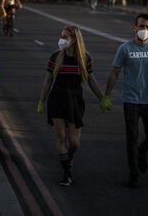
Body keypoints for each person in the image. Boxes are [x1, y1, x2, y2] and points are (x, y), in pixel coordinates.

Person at [102, 13, 148, 188]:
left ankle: (142, 153)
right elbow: (115, 73)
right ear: (134, 28)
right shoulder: (125, 48)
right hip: (131, 100)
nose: (144, 30)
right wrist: (107, 95)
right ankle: (133, 173)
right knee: (131, 138)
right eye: (141, 26)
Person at [37, 26, 105, 187]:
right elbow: (48, 80)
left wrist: (103, 98)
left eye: (65, 37)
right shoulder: (55, 57)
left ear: (74, 40)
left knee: (74, 142)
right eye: (61, 36)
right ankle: (66, 174)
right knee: (61, 137)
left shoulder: (85, 58)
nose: (61, 40)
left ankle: (69, 157)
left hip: (75, 99)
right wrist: (41, 101)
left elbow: (91, 80)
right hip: (57, 98)